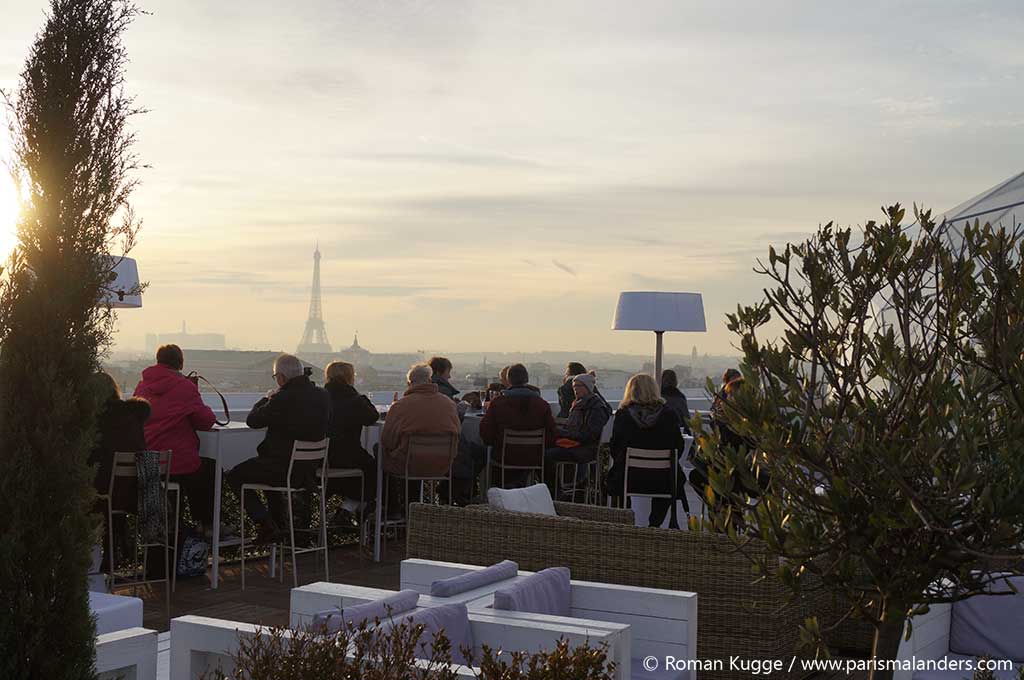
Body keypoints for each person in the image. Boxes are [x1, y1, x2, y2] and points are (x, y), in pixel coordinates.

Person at [226, 354, 331, 544]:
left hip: (282, 469)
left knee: (235, 475)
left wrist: (266, 398)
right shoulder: (322, 395)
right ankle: (276, 527)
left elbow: (254, 421)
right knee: (267, 476)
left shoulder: (283, 397)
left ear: (281, 378)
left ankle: (265, 523)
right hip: (308, 471)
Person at [133, 344, 219, 537]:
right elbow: (206, 421)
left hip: (150, 462)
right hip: (176, 462)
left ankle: (186, 525)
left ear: (158, 361)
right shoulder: (184, 387)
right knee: (208, 469)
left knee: (196, 470)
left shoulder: (142, 386)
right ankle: (207, 525)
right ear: (180, 364)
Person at [607, 373, 686, 527]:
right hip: (663, 480)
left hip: (630, 478)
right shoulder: (668, 415)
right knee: (673, 479)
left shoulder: (623, 416)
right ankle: (654, 523)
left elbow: (615, 447)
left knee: (615, 478)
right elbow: (678, 447)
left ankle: (625, 519)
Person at [90, 371, 151, 570]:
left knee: (98, 490)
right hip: (135, 494)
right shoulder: (134, 415)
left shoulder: (94, 419)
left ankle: (99, 561)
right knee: (114, 494)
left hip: (104, 494)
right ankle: (119, 549)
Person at [480, 364, 558, 488]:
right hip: (534, 458)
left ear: (508, 380)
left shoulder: (498, 403)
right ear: (526, 379)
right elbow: (552, 434)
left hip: (504, 457)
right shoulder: (541, 405)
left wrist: (496, 443)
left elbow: (486, 434)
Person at [381, 363, 461, 480]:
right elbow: (458, 433)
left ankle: (390, 497)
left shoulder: (400, 406)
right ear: (429, 380)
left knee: (379, 449)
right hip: (441, 466)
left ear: (409, 384)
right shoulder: (449, 404)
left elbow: (388, 440)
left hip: (406, 466)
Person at [323, 361, 379, 523]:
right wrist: (361, 398)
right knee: (374, 469)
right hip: (348, 458)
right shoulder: (354, 400)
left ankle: (351, 511)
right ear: (349, 378)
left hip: (320, 459)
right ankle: (350, 509)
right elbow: (372, 417)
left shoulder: (319, 398)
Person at [545, 372, 611, 497]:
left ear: (587, 387)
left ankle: (555, 493)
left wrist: (562, 433)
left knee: (547, 455)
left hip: (584, 449)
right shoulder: (579, 403)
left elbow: (589, 435)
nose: (575, 390)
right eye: (574, 387)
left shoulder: (595, 407)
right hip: (577, 446)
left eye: (578, 386)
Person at [660, 369, 691, 434]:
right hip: (678, 431)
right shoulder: (680, 397)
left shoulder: (658, 396)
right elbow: (686, 419)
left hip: (661, 431)